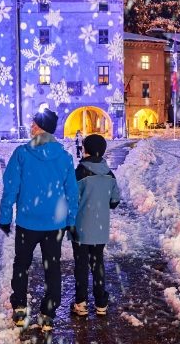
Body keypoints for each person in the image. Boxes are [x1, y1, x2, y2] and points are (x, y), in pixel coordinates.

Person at [0, 109, 78, 331]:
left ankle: (20, 307)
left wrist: (5, 217)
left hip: (28, 222)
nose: (31, 127)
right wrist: (71, 220)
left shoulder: (22, 154)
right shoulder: (63, 157)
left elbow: (11, 188)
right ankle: (48, 313)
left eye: (35, 124)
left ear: (43, 127)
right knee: (52, 267)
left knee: (22, 264)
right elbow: (71, 192)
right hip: (55, 225)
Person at [70, 134, 121, 317]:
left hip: (80, 229)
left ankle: (81, 303)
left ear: (87, 150)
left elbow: (71, 200)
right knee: (97, 264)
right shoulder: (109, 174)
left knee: (81, 266)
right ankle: (101, 303)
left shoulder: (79, 173)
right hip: (100, 230)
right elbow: (115, 200)